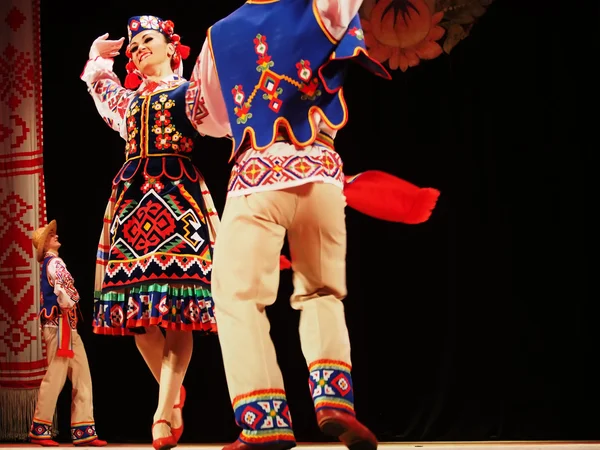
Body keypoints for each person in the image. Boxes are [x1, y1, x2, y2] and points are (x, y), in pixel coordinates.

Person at [170, 2, 435, 450]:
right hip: (322, 175)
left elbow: (203, 118)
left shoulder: (219, 35)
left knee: (237, 298)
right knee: (322, 293)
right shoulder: (320, 6)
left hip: (257, 178)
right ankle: (335, 400)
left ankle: (263, 420)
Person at [80, 15, 223, 450]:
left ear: (170, 48)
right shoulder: (125, 103)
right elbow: (99, 87)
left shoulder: (187, 93)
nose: (139, 47)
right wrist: (95, 58)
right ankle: (171, 391)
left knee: (178, 307)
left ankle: (163, 410)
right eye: (134, 43)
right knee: (136, 314)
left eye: (148, 40)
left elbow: (216, 109)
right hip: (131, 207)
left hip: (179, 201)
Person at [28, 220, 107, 447]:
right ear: (45, 244)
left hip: (67, 328)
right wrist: (72, 300)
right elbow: (65, 288)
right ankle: (39, 429)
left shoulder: (53, 262)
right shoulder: (55, 262)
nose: (55, 236)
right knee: (55, 376)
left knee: (82, 376)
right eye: (51, 235)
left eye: (54, 233)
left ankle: (84, 430)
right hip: (59, 326)